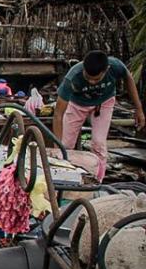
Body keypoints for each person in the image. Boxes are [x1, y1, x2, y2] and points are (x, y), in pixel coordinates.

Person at [53, 51, 145, 181]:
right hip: (78, 104)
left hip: (104, 102)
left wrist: (139, 109)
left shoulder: (115, 66)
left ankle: (97, 181)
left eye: (96, 79)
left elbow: (128, 78)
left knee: (99, 144)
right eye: (88, 77)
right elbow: (58, 114)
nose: (91, 81)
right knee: (65, 145)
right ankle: (64, 179)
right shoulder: (73, 76)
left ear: (106, 70)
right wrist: (58, 147)